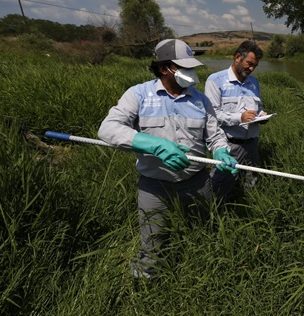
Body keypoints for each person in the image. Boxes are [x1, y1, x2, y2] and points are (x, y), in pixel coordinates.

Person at [98, 38, 239, 279]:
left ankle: (199, 276)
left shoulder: (200, 100)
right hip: (154, 187)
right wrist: (152, 144)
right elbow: (108, 129)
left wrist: (221, 151)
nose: (191, 73)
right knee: (152, 244)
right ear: (164, 68)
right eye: (184, 68)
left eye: (191, 67)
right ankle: (146, 283)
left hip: (198, 182)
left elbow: (214, 135)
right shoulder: (139, 95)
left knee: (201, 232)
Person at [205, 40, 268, 203]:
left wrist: (261, 115)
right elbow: (212, 115)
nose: (251, 69)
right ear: (238, 57)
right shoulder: (215, 80)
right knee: (220, 184)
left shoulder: (253, 82)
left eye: (255, 66)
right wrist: (239, 118)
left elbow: (258, 106)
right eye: (249, 63)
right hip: (229, 144)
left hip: (252, 143)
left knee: (252, 180)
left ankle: (248, 204)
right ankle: (216, 212)